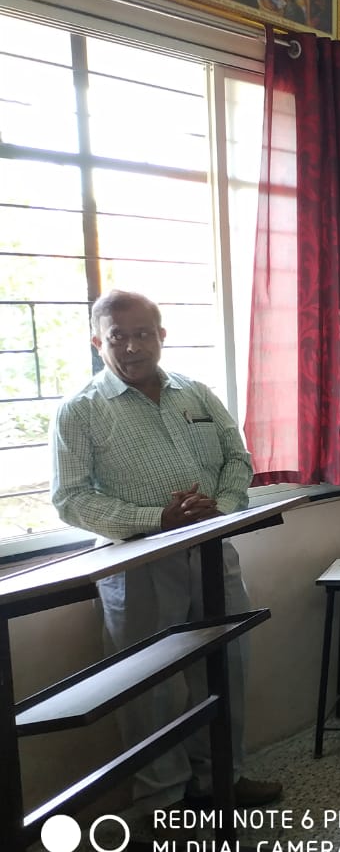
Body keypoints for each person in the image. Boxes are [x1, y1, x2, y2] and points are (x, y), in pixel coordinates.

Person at [50, 289, 280, 810]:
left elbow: (236, 458)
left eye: (142, 334)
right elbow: (70, 498)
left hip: (210, 548)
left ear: (161, 336)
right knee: (148, 686)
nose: (131, 346)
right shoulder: (80, 411)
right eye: (117, 336)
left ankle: (221, 778)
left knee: (226, 666)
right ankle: (162, 803)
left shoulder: (195, 393)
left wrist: (217, 506)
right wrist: (156, 520)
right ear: (97, 341)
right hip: (136, 565)